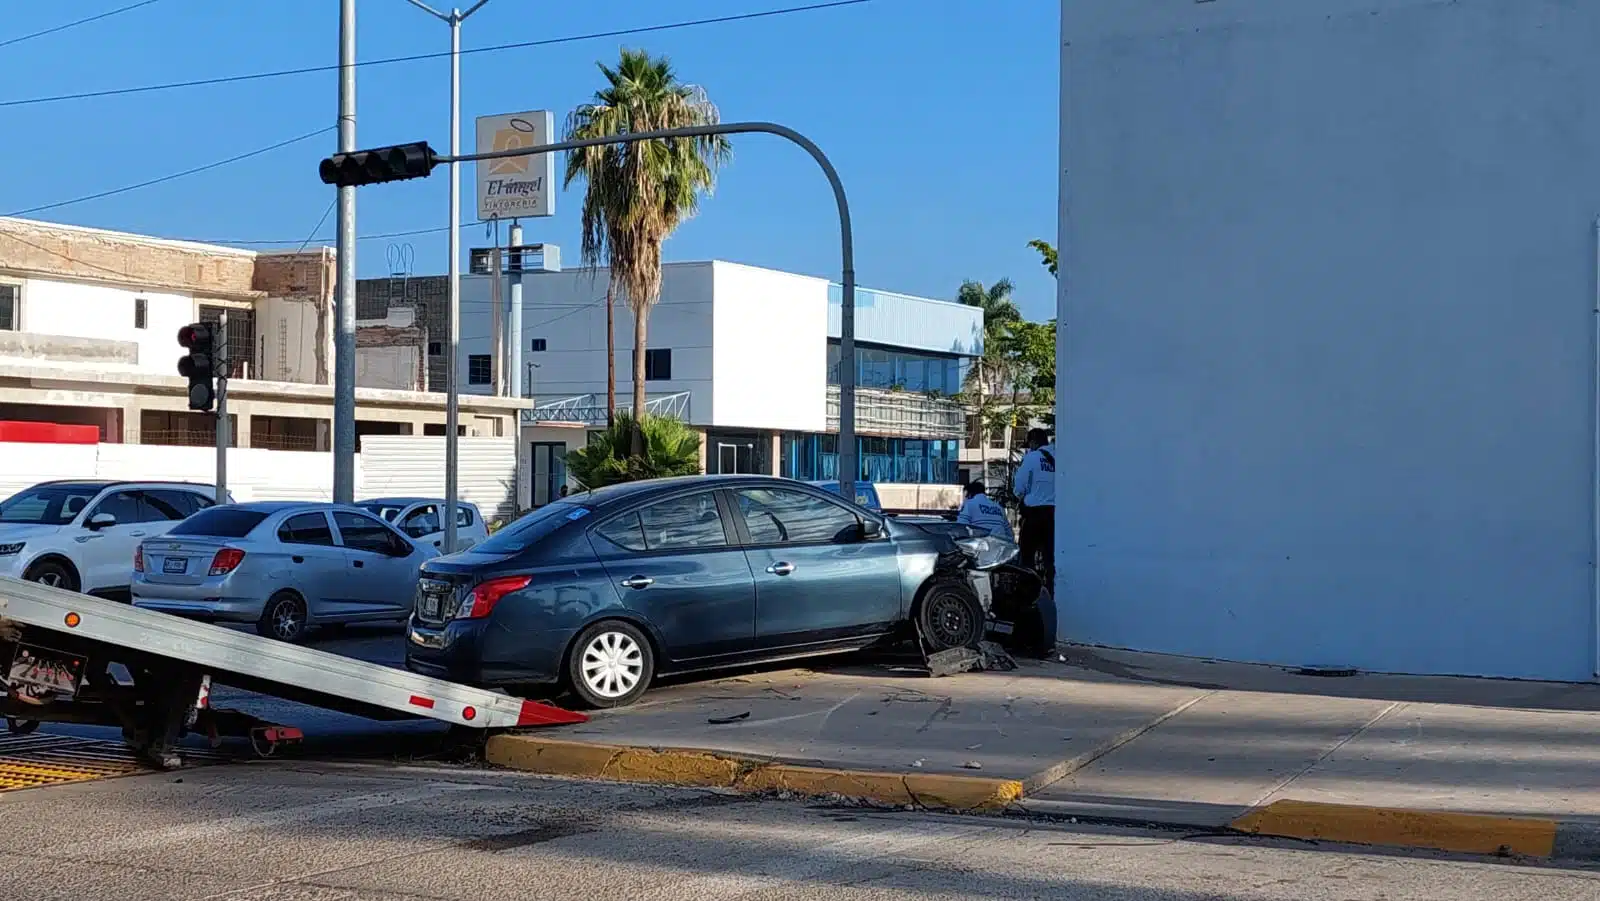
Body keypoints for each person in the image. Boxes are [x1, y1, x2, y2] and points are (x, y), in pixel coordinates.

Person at [1012, 428, 1056, 578]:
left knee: (1027, 556)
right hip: (1055, 514)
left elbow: (1019, 486)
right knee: (1051, 557)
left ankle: (1028, 590)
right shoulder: (1059, 456)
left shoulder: (1032, 457)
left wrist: (1020, 497)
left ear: (1033, 442)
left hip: (1035, 515)